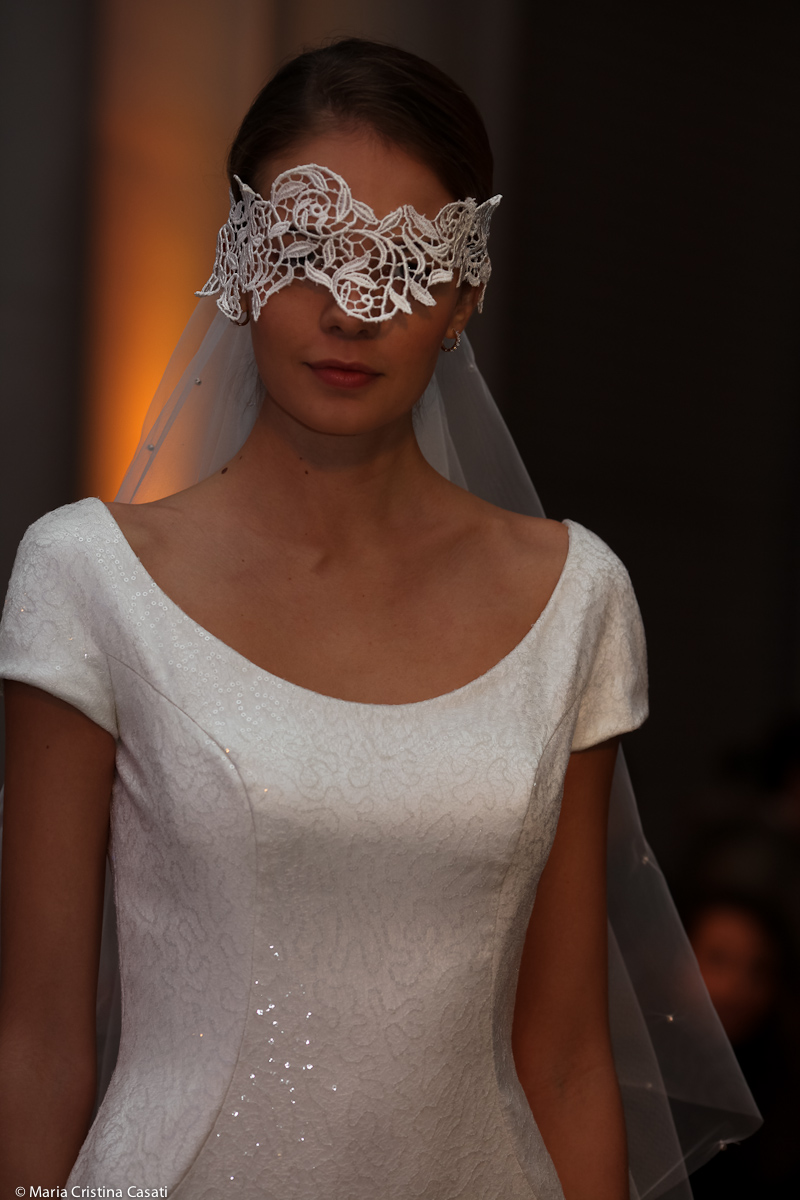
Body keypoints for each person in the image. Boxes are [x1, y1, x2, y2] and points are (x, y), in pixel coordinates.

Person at [0, 38, 758, 1200]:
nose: (350, 310)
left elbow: (564, 1053)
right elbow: (39, 1039)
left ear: (463, 295)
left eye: (403, 265)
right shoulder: (89, 578)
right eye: (308, 253)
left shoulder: (571, 599)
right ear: (241, 265)